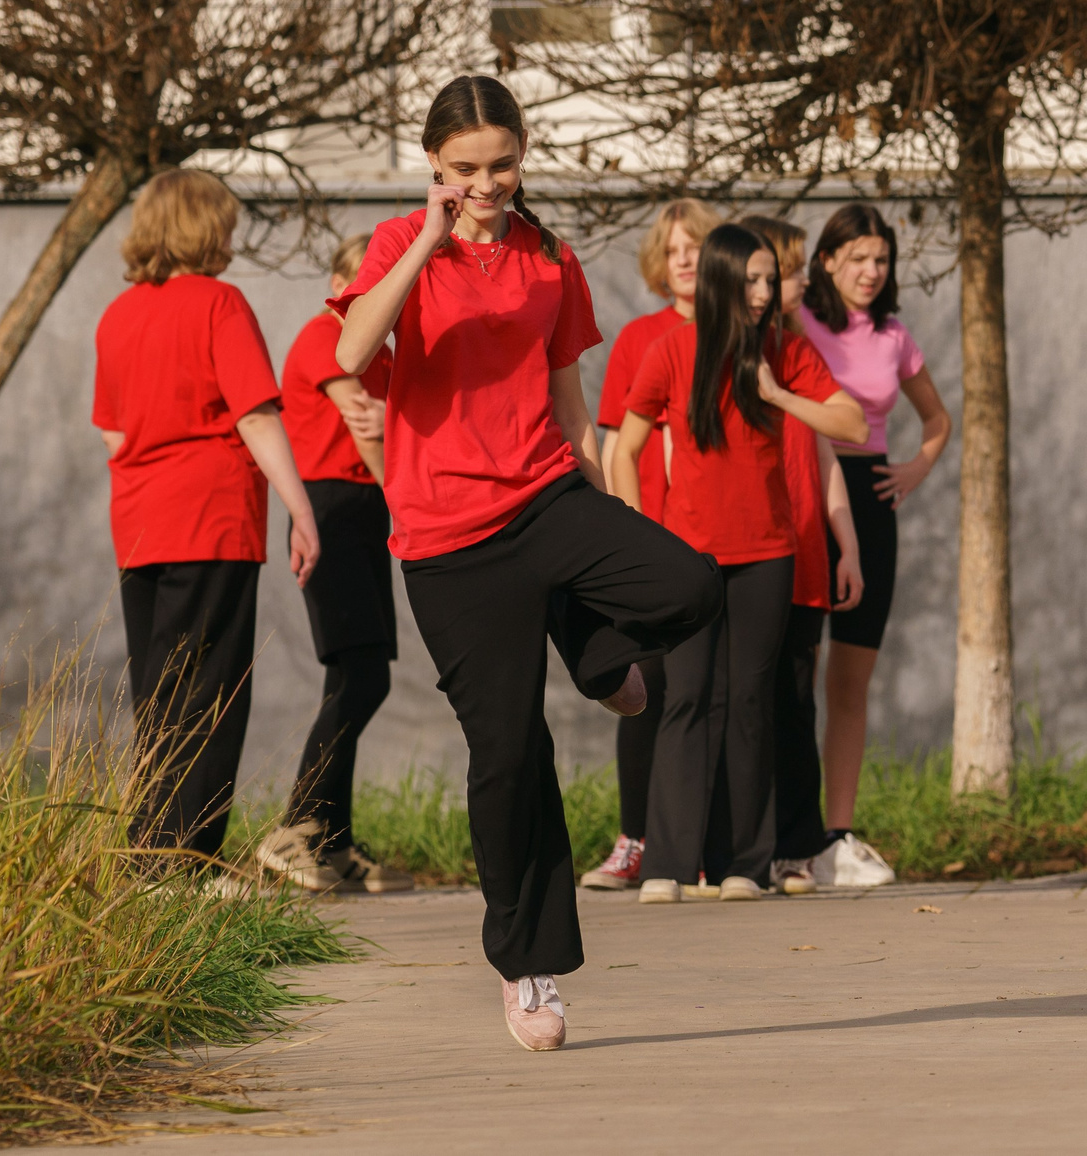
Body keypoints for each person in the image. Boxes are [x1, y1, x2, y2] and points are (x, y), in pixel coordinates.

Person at [334, 75, 723, 1052]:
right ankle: (525, 964)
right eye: (464, 168)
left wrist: (607, 516)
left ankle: (596, 653)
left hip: (548, 498)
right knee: (510, 756)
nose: (484, 184)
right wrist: (428, 239)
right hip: (447, 540)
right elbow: (351, 349)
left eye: (500, 165)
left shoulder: (550, 257)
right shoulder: (400, 245)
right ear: (434, 165)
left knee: (688, 583)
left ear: (521, 156)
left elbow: (571, 402)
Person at [612, 224, 867, 902]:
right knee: (687, 699)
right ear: (723, 279)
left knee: (750, 704)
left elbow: (852, 425)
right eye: (751, 279)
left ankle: (742, 868)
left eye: (769, 280)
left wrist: (779, 395)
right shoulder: (672, 349)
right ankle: (667, 866)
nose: (763, 292)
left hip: (768, 557)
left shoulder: (787, 351)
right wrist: (639, 543)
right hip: (689, 560)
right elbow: (622, 450)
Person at [93, 169, 321, 868]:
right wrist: (301, 507)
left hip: (138, 524)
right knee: (209, 691)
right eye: (224, 223)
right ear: (202, 227)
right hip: (211, 516)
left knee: (159, 691)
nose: (230, 237)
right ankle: (183, 860)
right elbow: (255, 414)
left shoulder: (118, 313)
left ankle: (150, 850)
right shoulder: (220, 303)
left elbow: (112, 434)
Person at [254, 232, 416, 894]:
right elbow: (365, 427)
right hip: (333, 506)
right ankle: (294, 828)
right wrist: (408, 506)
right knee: (360, 675)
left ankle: (332, 840)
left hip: (365, 508)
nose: (368, 295)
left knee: (358, 673)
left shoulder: (387, 355)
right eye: (359, 282)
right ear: (336, 285)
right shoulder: (329, 337)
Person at [798, 203, 953, 888]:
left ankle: (838, 835)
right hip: (807, 496)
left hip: (873, 499)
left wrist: (916, 467)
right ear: (827, 260)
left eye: (881, 259)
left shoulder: (894, 335)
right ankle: (787, 834)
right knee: (794, 675)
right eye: (857, 257)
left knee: (850, 681)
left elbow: (937, 418)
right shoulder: (796, 322)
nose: (871, 271)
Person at [582, 199, 721, 892]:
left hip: (722, 541)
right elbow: (613, 443)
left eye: (696, 246)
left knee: (712, 696)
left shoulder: (739, 334)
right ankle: (635, 838)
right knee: (645, 687)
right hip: (656, 536)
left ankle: (704, 846)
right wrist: (627, 534)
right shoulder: (640, 338)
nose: (685, 259)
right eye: (673, 249)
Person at [737, 214, 867, 897]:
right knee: (741, 703)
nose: (792, 284)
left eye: (787, 272)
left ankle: (794, 849)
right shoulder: (719, 348)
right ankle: (735, 850)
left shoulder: (798, 353)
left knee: (794, 704)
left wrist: (848, 545)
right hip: (740, 549)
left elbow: (828, 449)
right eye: (786, 270)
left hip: (802, 550)